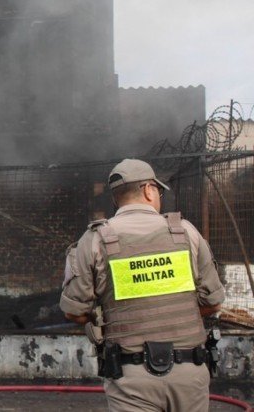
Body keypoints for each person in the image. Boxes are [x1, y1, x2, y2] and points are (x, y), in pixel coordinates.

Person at [60, 159, 225, 412]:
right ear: (149, 190)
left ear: (117, 199)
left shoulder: (94, 240)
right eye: (157, 191)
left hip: (131, 377)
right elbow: (212, 303)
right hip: (189, 372)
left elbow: (74, 312)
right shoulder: (186, 232)